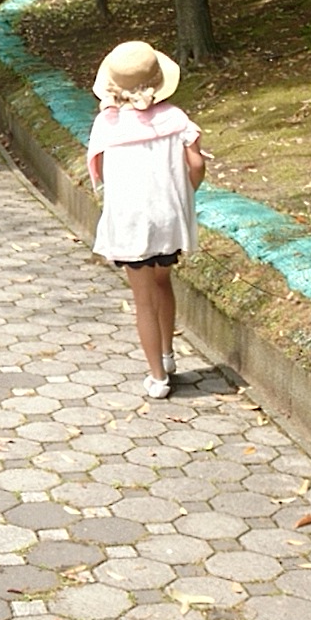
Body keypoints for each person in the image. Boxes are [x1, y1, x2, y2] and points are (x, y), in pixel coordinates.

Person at [86, 40, 205, 399]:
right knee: (163, 283)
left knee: (143, 300)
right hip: (168, 218)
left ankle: (157, 377)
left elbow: (102, 171)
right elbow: (197, 164)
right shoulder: (176, 118)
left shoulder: (108, 125)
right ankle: (169, 356)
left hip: (132, 221)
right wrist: (186, 193)